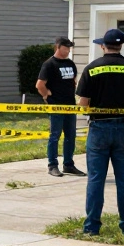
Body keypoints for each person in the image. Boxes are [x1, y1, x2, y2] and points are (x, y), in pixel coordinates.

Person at [76, 28, 124, 235]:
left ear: (103, 46)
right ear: (121, 45)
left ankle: (91, 227)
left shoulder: (92, 68)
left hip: (99, 128)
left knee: (96, 179)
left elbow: (83, 104)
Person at [36, 36, 83, 178]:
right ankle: (52, 165)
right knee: (55, 135)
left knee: (70, 135)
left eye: (69, 48)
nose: (68, 50)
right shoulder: (49, 64)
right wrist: (46, 96)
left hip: (70, 105)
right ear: (58, 47)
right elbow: (40, 85)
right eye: (66, 47)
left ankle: (68, 164)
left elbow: (73, 81)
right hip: (56, 105)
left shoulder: (70, 63)